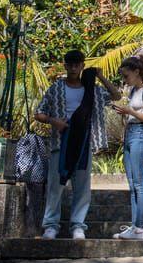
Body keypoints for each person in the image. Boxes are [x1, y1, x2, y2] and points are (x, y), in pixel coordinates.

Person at [32, 50, 115, 240]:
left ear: (82, 66)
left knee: (82, 187)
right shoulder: (56, 88)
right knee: (55, 186)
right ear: (65, 66)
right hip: (61, 141)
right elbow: (39, 113)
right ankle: (51, 226)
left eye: (77, 64)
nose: (73, 68)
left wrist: (100, 76)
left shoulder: (92, 89)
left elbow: (115, 95)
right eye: (70, 64)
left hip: (84, 141)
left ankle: (78, 226)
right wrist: (53, 121)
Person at [111, 54, 143, 240]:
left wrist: (130, 111)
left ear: (137, 72)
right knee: (132, 185)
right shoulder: (134, 91)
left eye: (126, 76)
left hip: (141, 134)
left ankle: (140, 228)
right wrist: (126, 113)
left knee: (139, 184)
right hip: (131, 134)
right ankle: (135, 226)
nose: (125, 80)